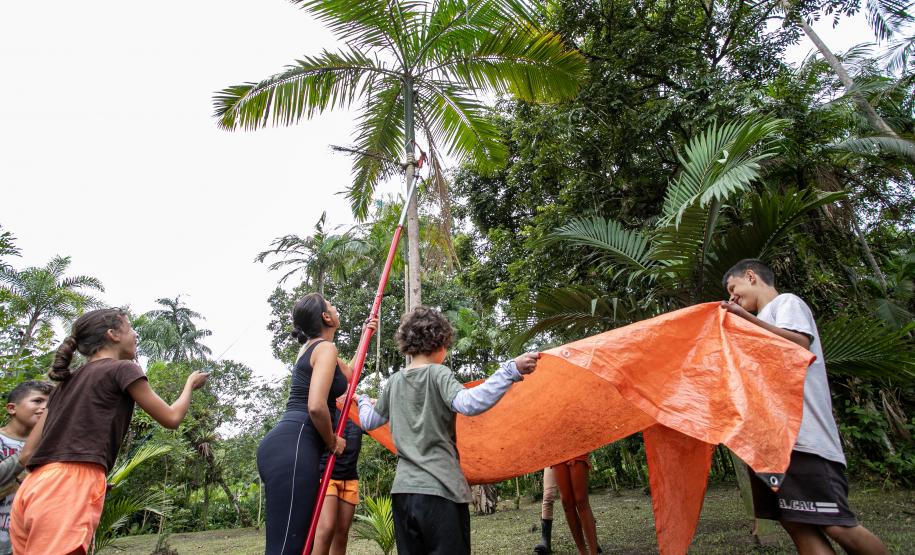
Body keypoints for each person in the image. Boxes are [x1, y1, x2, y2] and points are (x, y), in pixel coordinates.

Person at [721, 259, 888, 555]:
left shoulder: (785, 304)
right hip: (770, 448)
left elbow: (798, 344)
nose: (732, 297)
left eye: (733, 288)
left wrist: (745, 320)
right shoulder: (757, 324)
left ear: (751, 276)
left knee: (836, 524)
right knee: (798, 526)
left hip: (804, 441)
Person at [9, 307, 208, 554]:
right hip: (67, 488)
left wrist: (88, 471)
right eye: (131, 328)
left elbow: (27, 455)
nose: (136, 335)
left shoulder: (64, 385)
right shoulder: (123, 369)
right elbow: (172, 417)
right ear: (113, 334)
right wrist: (190, 384)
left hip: (33, 488)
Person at [358, 306, 540, 555]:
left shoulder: (394, 382)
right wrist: (510, 370)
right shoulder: (438, 374)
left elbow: (368, 421)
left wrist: (363, 401)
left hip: (403, 495)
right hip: (440, 493)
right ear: (440, 342)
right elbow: (469, 403)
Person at [257, 293, 375, 555]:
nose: (335, 307)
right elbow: (316, 406)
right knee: (289, 547)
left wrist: (366, 334)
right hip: (294, 446)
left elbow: (351, 375)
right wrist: (333, 441)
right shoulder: (324, 348)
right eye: (331, 305)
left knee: (298, 545)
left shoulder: (318, 348)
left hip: (290, 446)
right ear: (325, 316)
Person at [0, 380, 52, 555]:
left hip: (28, 541)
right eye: (37, 401)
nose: (44, 408)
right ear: (12, 408)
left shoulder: (50, 445)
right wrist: (23, 458)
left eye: (49, 403)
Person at [313, 415, 364, 555]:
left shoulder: (357, 409)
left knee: (341, 535)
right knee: (327, 529)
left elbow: (376, 421)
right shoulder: (329, 405)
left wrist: (374, 403)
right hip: (327, 475)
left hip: (350, 477)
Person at [553, 454, 600, 555]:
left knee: (581, 500)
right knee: (566, 502)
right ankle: (582, 552)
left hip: (576, 445)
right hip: (555, 447)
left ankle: (593, 552)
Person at [533, 467, 558, 554]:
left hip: (573, 456)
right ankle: (546, 541)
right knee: (548, 496)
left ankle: (591, 539)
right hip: (551, 460)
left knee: (578, 499)